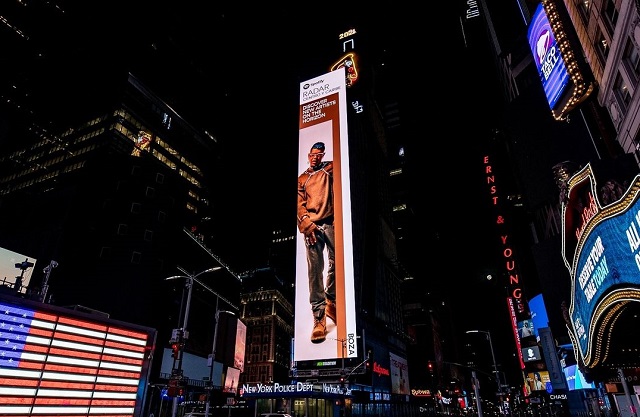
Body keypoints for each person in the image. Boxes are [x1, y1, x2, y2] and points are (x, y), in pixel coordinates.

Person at [297, 141, 336, 343]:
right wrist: (307, 226)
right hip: (312, 227)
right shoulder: (302, 179)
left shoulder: (330, 168)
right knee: (314, 270)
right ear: (309, 155)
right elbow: (299, 205)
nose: (315, 157)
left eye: (319, 154)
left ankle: (330, 299)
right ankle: (319, 316)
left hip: (331, 222)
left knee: (336, 263)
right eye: (313, 154)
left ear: (322, 155)